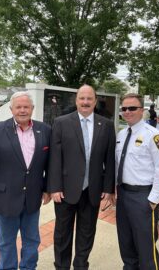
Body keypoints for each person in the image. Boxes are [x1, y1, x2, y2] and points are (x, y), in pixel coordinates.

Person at [0, 91, 51, 270]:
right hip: (5, 198)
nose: (23, 110)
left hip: (33, 197)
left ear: (32, 109)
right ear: (11, 109)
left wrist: (48, 188)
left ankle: (28, 267)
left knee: (32, 240)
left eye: (26, 107)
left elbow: (51, 162)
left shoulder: (45, 130)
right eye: (19, 107)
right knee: (7, 242)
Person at [48, 84, 115, 270]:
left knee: (87, 234)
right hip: (64, 191)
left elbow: (109, 160)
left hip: (92, 191)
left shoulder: (107, 125)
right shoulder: (61, 122)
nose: (85, 102)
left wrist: (108, 189)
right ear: (76, 100)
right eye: (82, 98)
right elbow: (55, 157)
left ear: (95, 101)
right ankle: (61, 266)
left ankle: (80, 266)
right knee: (62, 234)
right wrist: (54, 187)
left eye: (89, 99)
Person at [115, 93, 159, 270]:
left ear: (142, 110)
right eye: (124, 108)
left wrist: (153, 199)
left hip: (143, 197)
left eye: (132, 108)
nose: (128, 112)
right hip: (123, 195)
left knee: (146, 248)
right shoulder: (121, 134)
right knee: (126, 244)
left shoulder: (154, 136)